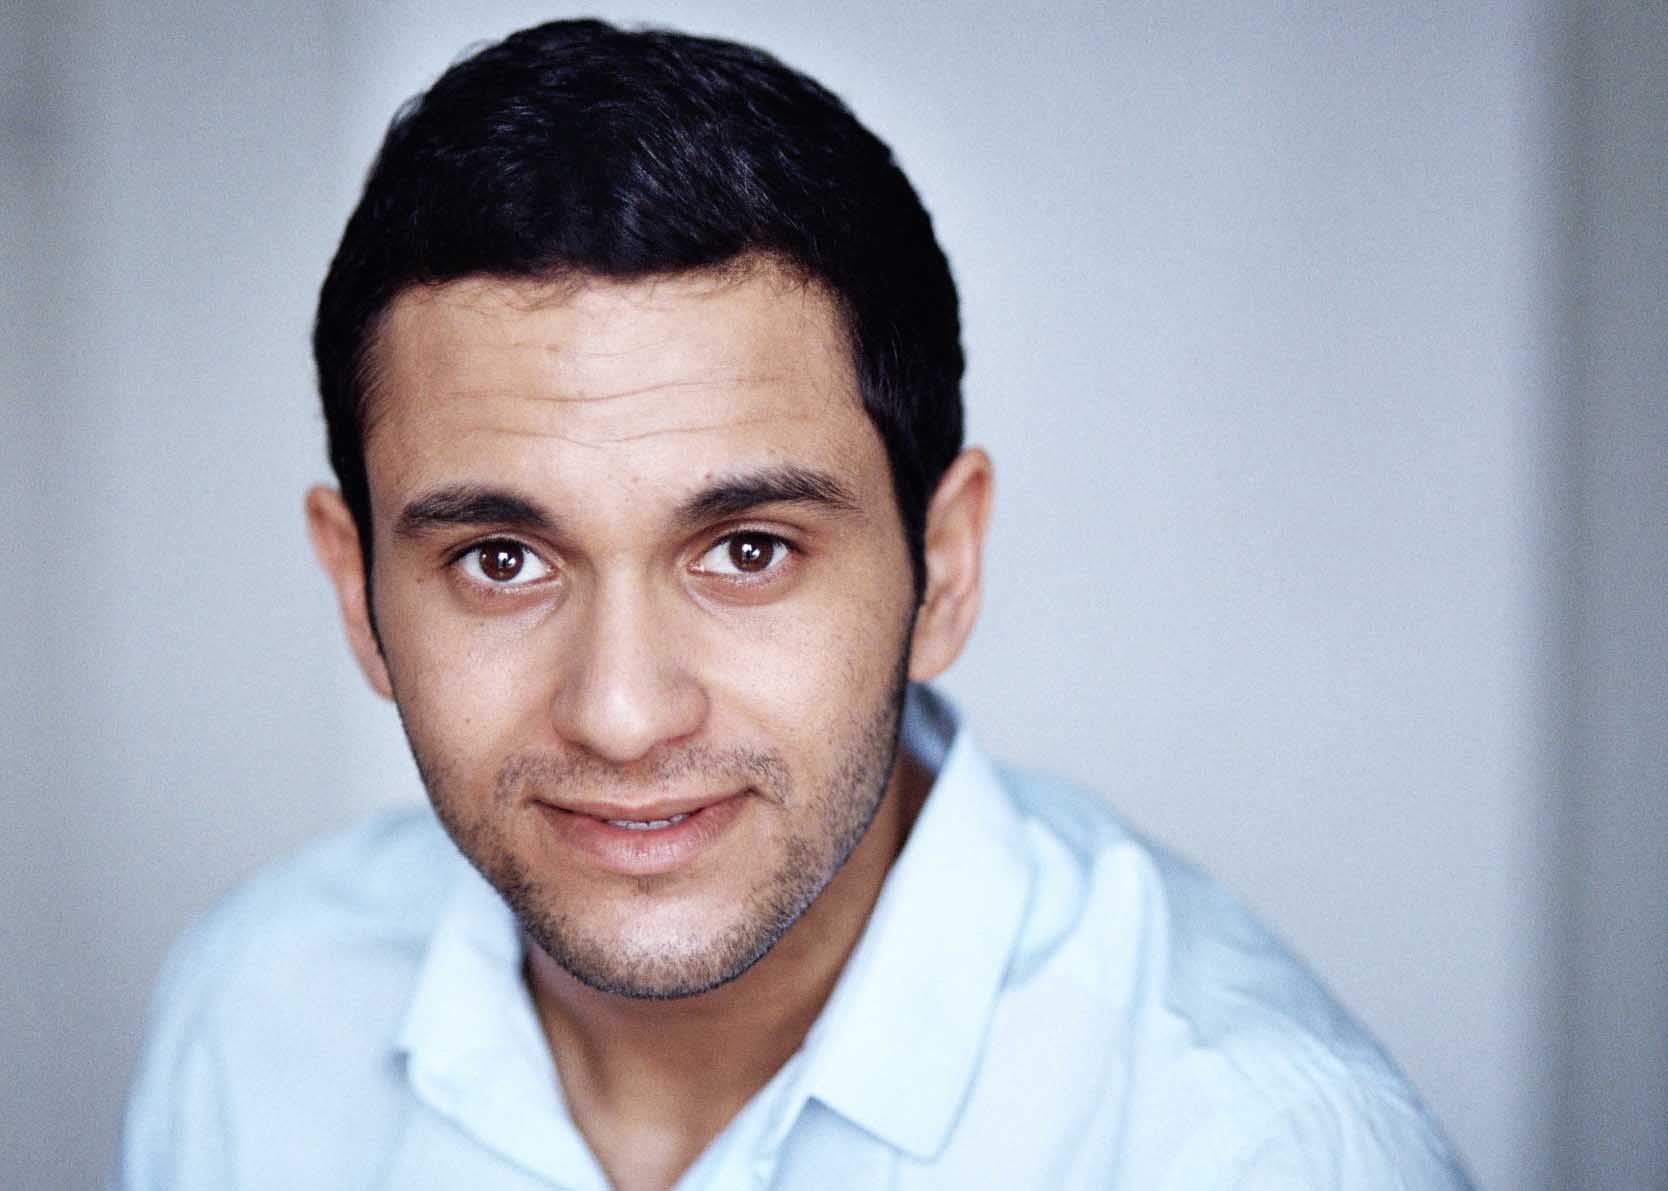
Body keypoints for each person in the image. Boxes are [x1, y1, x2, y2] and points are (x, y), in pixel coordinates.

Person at [116, 19, 1472, 1191]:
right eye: (503, 561)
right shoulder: (257, 1015)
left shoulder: (1250, 1151)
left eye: (750, 549)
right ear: (359, 595)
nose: (623, 714)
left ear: (944, 568)